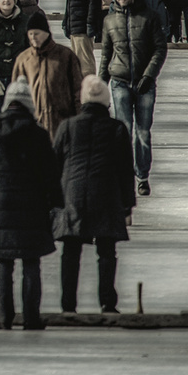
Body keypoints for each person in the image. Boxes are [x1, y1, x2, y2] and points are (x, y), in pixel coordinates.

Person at [0, 80, 63, 330]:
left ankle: (4, 317)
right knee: (31, 263)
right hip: (32, 207)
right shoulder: (38, 134)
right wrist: (56, 206)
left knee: (4, 264)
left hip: (0, 206)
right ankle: (31, 317)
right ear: (29, 104)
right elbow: (51, 176)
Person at [53, 76, 135, 313]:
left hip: (73, 196)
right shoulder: (117, 129)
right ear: (107, 102)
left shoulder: (67, 127)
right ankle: (108, 302)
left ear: (83, 100)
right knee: (107, 252)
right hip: (107, 195)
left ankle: (68, 304)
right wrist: (127, 205)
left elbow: (54, 165)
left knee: (71, 252)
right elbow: (125, 170)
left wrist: (54, 201)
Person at [99, 0, 168, 197]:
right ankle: (123, 175)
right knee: (123, 130)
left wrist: (149, 75)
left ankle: (142, 176)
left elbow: (160, 48)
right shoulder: (110, 20)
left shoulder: (149, 17)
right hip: (120, 82)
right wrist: (101, 83)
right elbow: (106, 53)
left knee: (142, 132)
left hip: (144, 82)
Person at [11, 8, 84, 138]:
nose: (33, 37)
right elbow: (16, 94)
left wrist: (79, 119)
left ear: (46, 33)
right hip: (33, 124)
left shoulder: (66, 56)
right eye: (30, 34)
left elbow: (78, 90)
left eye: (37, 33)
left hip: (62, 123)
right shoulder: (23, 59)